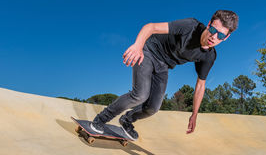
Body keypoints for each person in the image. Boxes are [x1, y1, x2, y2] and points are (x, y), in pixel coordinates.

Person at [90, 10, 239, 140]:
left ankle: (126, 120)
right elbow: (151, 27)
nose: (214, 37)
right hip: (148, 51)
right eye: (213, 30)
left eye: (220, 35)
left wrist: (194, 114)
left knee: (152, 108)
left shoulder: (209, 56)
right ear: (209, 24)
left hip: (163, 66)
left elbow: (201, 85)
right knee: (140, 95)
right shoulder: (190, 26)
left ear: (226, 38)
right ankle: (100, 120)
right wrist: (138, 46)